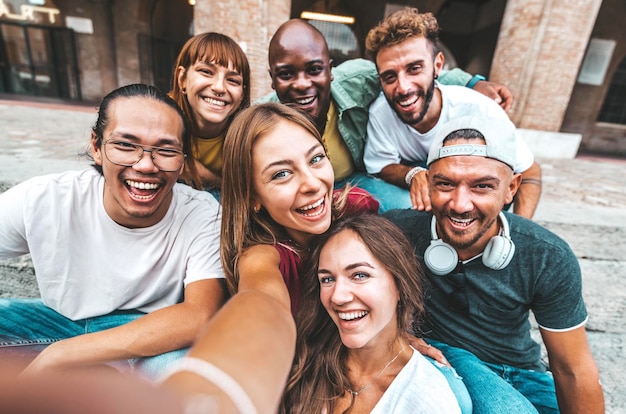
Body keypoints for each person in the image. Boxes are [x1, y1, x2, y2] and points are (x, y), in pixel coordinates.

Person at [0, 84, 225, 379]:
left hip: (148, 336)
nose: (145, 165)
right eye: (125, 145)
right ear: (96, 146)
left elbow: (199, 315)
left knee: (183, 373)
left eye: (166, 150)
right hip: (56, 322)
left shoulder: (201, 213)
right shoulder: (45, 198)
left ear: (183, 160)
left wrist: (60, 354)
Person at [384, 115, 605, 413]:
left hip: (525, 373)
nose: (460, 204)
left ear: (512, 188)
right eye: (445, 184)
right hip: (445, 362)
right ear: (428, 182)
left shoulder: (546, 255)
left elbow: (572, 369)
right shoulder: (394, 233)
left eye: (482, 186)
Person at [258, 18, 514, 212]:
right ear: (272, 79)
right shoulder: (260, 120)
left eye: (314, 70)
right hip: (300, 193)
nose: (302, 84)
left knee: (412, 206)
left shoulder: (358, 79)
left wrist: (471, 82)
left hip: (352, 181)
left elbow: (412, 74)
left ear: (330, 71)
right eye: (286, 74)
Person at [364, 8, 543, 217]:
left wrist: (518, 234)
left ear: (437, 65)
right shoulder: (380, 112)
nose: (403, 87)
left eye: (414, 69)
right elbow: (381, 164)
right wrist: (412, 173)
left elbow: (530, 172)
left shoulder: (479, 109)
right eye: (390, 77)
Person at [282, 214, 462, 413]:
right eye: (327, 279)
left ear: (400, 286)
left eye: (360, 275)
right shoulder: (305, 357)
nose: (338, 297)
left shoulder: (428, 401)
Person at [169, 32, 250, 191]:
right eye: (206, 72)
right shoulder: (160, 112)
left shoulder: (247, 135)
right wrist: (219, 182)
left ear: (242, 95)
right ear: (182, 79)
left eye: (233, 80)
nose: (219, 87)